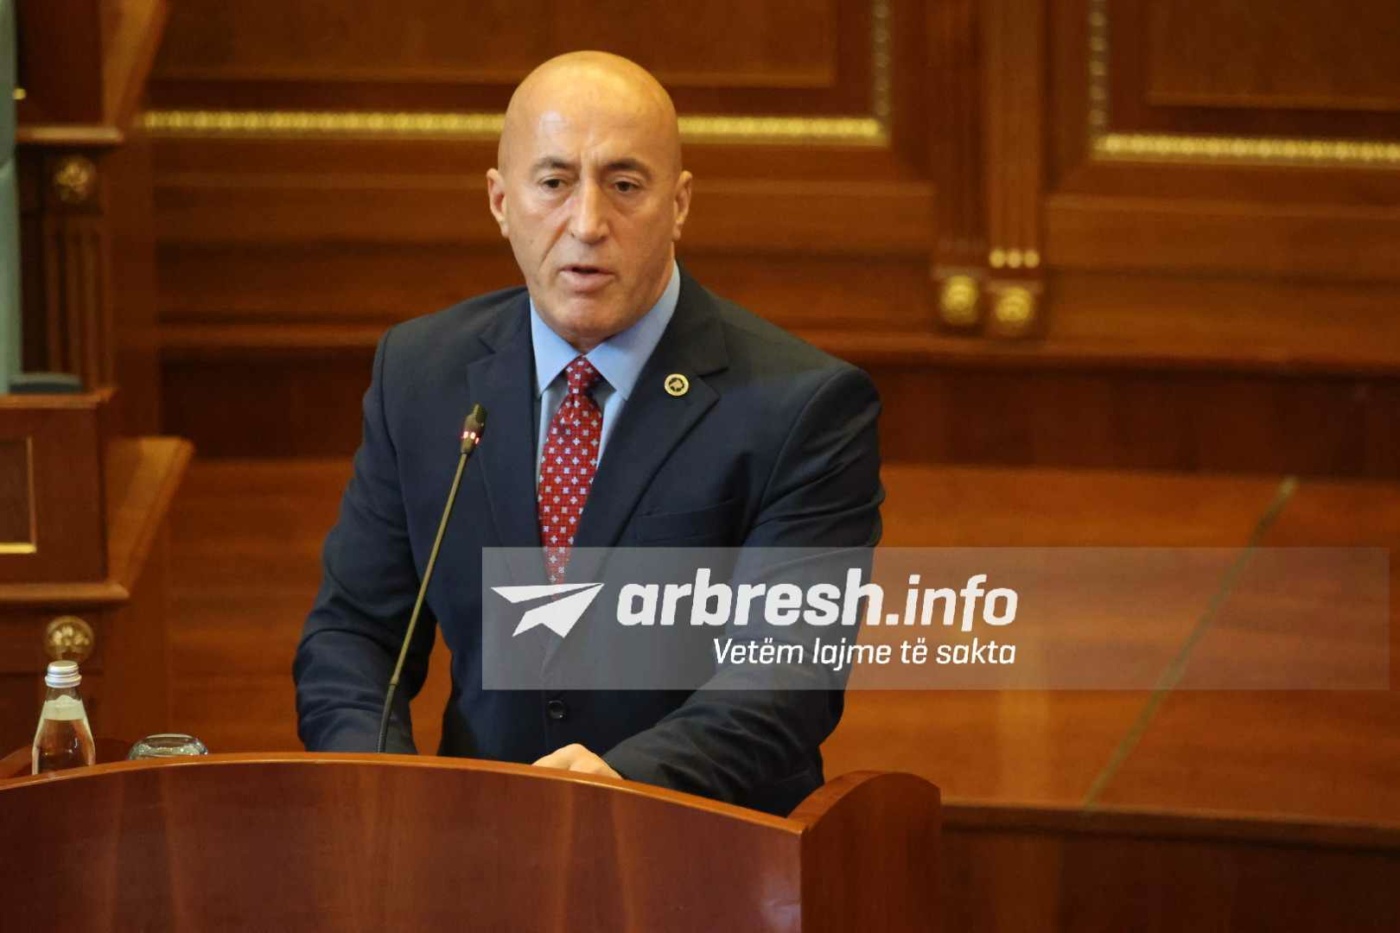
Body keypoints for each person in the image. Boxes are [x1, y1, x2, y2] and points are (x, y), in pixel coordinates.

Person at [293, 51, 883, 815]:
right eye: (554, 182)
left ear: (679, 203)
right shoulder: (421, 373)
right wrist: (386, 792)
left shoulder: (802, 404)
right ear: (501, 201)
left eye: (625, 185)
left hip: (704, 842)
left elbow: (786, 674)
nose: (587, 223)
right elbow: (352, 635)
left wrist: (620, 784)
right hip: (476, 840)